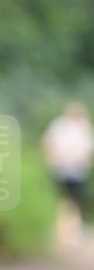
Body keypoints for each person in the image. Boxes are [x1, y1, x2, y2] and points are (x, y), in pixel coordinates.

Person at [41, 102, 93, 251]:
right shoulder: (59, 125)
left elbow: (88, 150)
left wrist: (84, 161)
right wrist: (52, 157)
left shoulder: (84, 127)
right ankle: (63, 233)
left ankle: (71, 233)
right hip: (60, 169)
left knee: (73, 201)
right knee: (62, 200)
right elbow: (48, 143)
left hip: (77, 171)